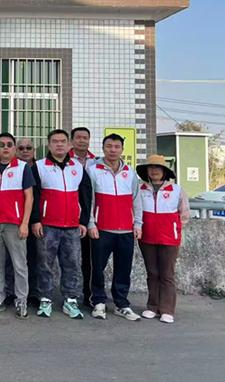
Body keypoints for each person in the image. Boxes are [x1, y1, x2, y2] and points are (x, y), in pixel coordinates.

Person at [31, 129, 92, 320]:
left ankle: (70, 299)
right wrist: (35, 220)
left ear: (69, 145)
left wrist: (83, 222)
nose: (59, 144)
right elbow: (33, 196)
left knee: (72, 264)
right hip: (47, 225)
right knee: (45, 264)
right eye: (55, 141)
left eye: (63, 141)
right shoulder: (39, 166)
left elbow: (85, 196)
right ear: (49, 145)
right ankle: (45, 298)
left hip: (72, 226)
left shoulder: (78, 167)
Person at [87, 133, 142, 321]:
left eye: (116, 147)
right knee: (97, 268)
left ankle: (121, 304)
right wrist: (91, 223)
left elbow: (136, 200)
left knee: (123, 269)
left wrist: (138, 224)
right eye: (109, 146)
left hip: (126, 229)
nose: (112, 150)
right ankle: (98, 302)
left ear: (122, 150)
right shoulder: (93, 170)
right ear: (103, 148)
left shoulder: (130, 172)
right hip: (101, 228)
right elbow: (89, 200)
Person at [0, 133, 35, 320]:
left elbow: (29, 197)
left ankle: (21, 300)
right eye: (2, 144)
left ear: (14, 149)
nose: (5, 148)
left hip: (15, 224)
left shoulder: (22, 168)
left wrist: (25, 223)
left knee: (19, 264)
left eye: (9, 145)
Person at [136, 155, 190, 324]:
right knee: (152, 273)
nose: (154, 171)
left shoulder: (176, 190)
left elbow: (184, 214)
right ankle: (153, 306)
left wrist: (174, 229)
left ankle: (167, 309)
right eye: (150, 167)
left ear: (164, 171)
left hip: (169, 239)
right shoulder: (140, 189)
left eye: (157, 168)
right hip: (147, 237)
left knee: (167, 274)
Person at [2, 138, 39, 307]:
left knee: (33, 258)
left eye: (28, 148)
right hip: (14, 220)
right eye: (21, 148)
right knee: (11, 260)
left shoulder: (40, 168)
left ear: (33, 150)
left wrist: (36, 220)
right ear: (16, 150)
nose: (25, 151)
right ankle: (11, 292)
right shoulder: (12, 168)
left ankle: (33, 293)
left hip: (35, 222)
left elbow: (37, 197)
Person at [69, 127, 97, 306]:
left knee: (89, 260)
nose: (82, 141)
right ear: (72, 141)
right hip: (69, 218)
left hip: (92, 218)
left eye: (85, 138)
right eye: (78, 137)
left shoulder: (96, 162)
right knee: (69, 260)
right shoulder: (64, 160)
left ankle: (89, 295)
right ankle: (69, 295)